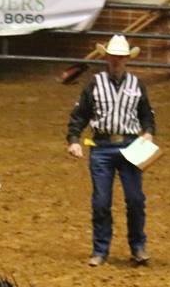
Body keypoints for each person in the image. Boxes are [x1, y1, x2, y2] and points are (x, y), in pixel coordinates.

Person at [66, 33, 156, 267]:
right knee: (101, 201)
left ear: (126, 59)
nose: (116, 60)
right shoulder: (94, 84)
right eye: (113, 56)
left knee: (135, 200)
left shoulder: (137, 85)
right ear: (107, 57)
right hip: (102, 146)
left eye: (120, 57)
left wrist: (148, 132)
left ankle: (138, 247)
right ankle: (100, 250)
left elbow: (146, 114)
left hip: (131, 144)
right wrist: (74, 139)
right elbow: (80, 114)